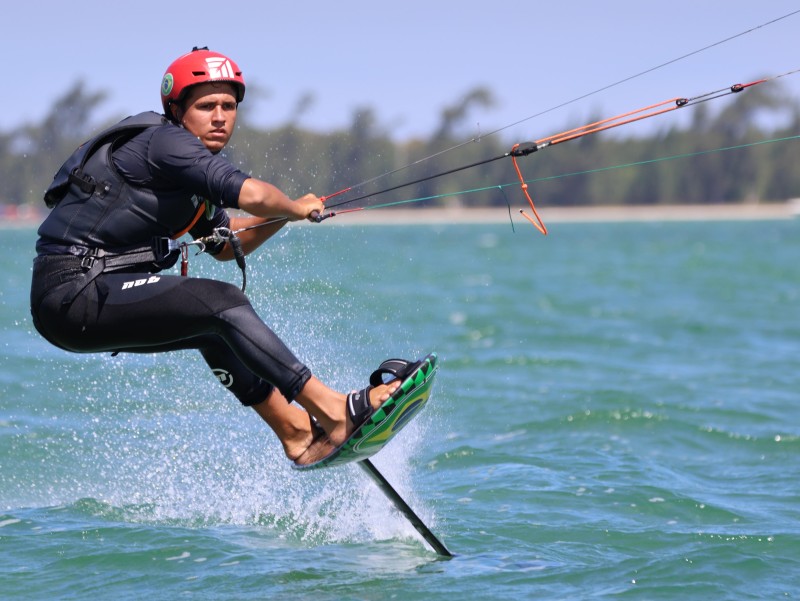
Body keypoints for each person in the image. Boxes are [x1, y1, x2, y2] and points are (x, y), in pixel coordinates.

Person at [29, 47, 401, 466]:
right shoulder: (165, 143)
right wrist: (290, 207)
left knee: (214, 326)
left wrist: (285, 215)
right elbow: (254, 195)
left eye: (229, 105)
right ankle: (333, 411)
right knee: (222, 303)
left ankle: (296, 432)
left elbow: (225, 244)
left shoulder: (186, 171)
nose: (220, 116)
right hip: (73, 291)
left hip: (88, 296)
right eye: (206, 106)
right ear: (177, 109)